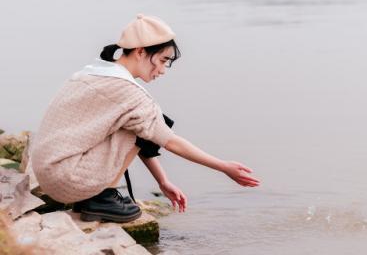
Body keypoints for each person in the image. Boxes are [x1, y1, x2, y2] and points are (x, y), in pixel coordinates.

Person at [31, 14, 260, 223]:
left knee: (148, 120)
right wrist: (223, 167)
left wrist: (162, 182)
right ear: (141, 52)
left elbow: (146, 133)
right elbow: (168, 140)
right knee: (155, 119)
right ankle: (103, 198)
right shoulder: (128, 93)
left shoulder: (92, 72)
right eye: (162, 60)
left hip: (51, 175)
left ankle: (96, 197)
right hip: (69, 179)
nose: (163, 70)